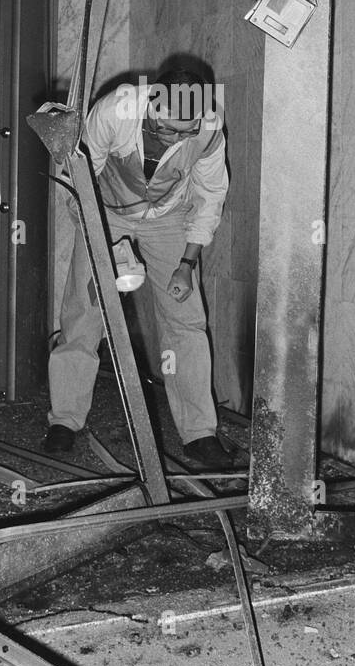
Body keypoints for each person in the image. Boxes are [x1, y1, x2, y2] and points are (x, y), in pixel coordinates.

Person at [45, 63, 233, 470]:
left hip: (167, 216)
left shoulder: (208, 127)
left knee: (186, 320)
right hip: (106, 209)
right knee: (86, 308)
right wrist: (101, 241)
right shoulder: (116, 110)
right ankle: (65, 419)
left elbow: (210, 194)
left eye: (186, 132)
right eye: (168, 130)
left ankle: (200, 432)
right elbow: (77, 179)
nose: (176, 140)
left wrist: (187, 263)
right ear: (151, 105)